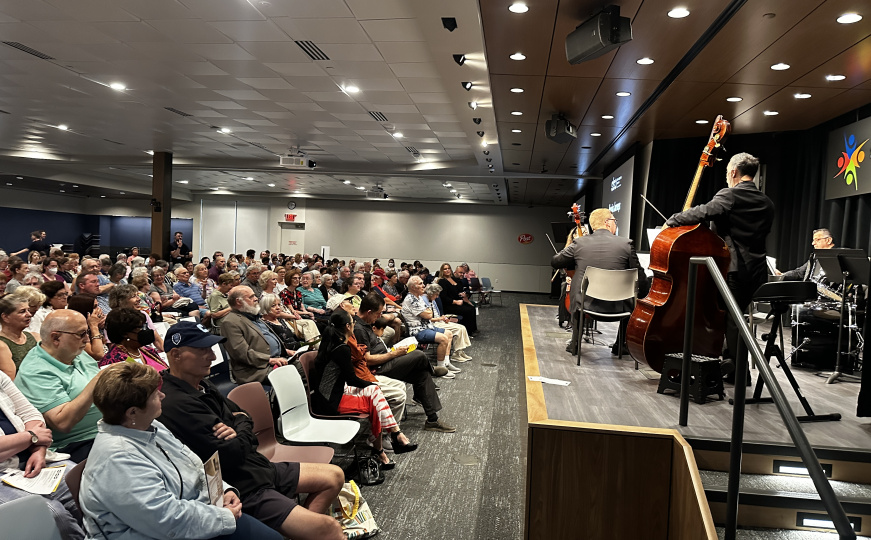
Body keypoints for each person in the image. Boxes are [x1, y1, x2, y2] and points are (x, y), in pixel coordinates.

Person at [157, 322, 346, 540]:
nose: (211, 356)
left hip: (256, 467)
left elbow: (243, 415)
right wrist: (242, 424)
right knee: (330, 529)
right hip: (241, 485)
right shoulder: (175, 402)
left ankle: (303, 532)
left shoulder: (201, 384)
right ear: (176, 354)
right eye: (202, 351)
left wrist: (240, 424)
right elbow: (232, 452)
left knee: (334, 476)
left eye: (210, 349)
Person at [81, 362, 281, 540]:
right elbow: (165, 519)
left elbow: (192, 465)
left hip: (194, 514)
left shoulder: (149, 426)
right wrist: (223, 517)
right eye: (154, 394)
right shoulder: (117, 459)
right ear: (132, 411)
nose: (163, 395)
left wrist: (223, 489)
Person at [665, 152, 775, 380]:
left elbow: (703, 211)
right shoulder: (767, 203)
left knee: (732, 321)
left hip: (735, 269)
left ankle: (737, 372)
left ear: (733, 172)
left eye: (727, 173)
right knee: (737, 318)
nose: (727, 177)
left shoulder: (731, 195)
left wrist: (674, 219)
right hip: (756, 271)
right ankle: (733, 367)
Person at [310, 310, 416, 467]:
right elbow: (351, 379)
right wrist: (373, 385)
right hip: (330, 400)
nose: (354, 325)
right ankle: (387, 442)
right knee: (375, 398)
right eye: (353, 323)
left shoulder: (334, 342)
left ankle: (390, 440)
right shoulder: (341, 348)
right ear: (348, 326)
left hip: (332, 392)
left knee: (375, 396)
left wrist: (373, 387)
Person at [551, 207, 649, 356]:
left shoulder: (580, 244)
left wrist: (575, 262)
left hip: (585, 303)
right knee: (634, 291)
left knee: (578, 281)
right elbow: (640, 278)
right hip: (619, 307)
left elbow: (555, 261)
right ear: (607, 222)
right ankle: (621, 345)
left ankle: (575, 343)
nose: (616, 224)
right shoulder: (626, 244)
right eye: (615, 221)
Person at [0, 370, 84, 540]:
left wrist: (39, 450)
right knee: (52, 515)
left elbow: (32, 415)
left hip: (33, 457)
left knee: (88, 484)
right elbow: (36, 432)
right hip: (2, 474)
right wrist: (31, 437)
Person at [15, 311, 105, 462]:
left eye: (87, 332)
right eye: (81, 334)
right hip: (77, 443)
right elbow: (62, 423)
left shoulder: (75, 351)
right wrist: (99, 379)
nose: (87, 339)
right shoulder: (36, 371)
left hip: (107, 428)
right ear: (56, 338)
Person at [221, 286, 293, 383]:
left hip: (277, 359)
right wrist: (270, 360)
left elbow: (265, 339)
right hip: (256, 370)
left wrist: (286, 351)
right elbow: (242, 354)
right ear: (238, 301)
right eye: (251, 297)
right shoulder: (230, 323)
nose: (256, 298)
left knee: (308, 362)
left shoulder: (253, 316)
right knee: (294, 374)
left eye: (255, 295)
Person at [401, 276, 459, 377]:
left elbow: (428, 312)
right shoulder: (411, 299)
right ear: (413, 287)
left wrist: (427, 311)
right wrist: (427, 311)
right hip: (417, 330)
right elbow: (429, 315)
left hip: (427, 327)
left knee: (449, 333)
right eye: (420, 284)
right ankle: (441, 368)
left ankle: (446, 363)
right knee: (443, 338)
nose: (423, 285)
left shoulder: (419, 298)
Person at [99, 308, 168, 371]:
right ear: (124, 333)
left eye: (145, 326)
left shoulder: (148, 350)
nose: (146, 330)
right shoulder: (115, 361)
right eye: (141, 328)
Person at [424, 283, 473, 361]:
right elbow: (428, 318)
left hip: (438, 320)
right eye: (436, 295)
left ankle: (460, 351)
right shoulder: (424, 301)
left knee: (462, 327)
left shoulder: (432, 300)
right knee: (458, 329)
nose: (437, 297)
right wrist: (440, 318)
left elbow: (437, 314)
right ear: (431, 293)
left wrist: (443, 318)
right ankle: (456, 354)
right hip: (432, 324)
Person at [108, 284, 165, 352]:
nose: (139, 299)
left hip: (147, 353)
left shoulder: (143, 314)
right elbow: (113, 349)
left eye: (137, 295)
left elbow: (157, 340)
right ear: (121, 301)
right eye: (134, 296)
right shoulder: (113, 320)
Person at [0, 295, 39, 379]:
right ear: (5, 317)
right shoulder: (2, 345)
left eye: (28, 310)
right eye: (22, 311)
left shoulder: (34, 336)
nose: (29, 315)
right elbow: (10, 384)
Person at [436, 263, 478, 335]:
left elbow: (459, 289)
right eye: (445, 269)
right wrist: (455, 302)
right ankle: (468, 331)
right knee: (468, 310)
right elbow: (444, 297)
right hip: (449, 304)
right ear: (442, 271)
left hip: (458, 301)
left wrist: (463, 294)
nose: (447, 270)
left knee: (471, 307)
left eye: (448, 268)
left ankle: (473, 329)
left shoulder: (454, 279)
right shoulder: (442, 281)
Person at [66, 294, 106, 362]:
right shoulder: (76, 331)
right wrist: (94, 326)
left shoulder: (98, 325)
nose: (99, 310)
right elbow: (98, 355)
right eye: (95, 307)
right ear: (85, 310)